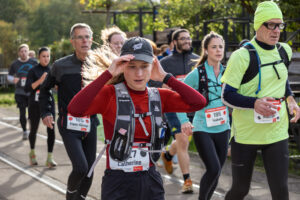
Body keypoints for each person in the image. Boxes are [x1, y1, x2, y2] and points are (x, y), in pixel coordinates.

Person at [67, 37, 207, 200]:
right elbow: (75, 109)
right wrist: (108, 74)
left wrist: (165, 77)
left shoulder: (159, 96)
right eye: (132, 67)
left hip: (149, 180)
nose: (139, 73)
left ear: (153, 65)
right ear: (122, 66)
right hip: (117, 182)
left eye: (144, 66)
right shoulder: (109, 95)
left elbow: (199, 102)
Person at [221, 1, 300, 200]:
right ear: (258, 25)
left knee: (281, 191)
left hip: (276, 131)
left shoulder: (284, 51)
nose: (276, 30)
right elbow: (226, 95)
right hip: (246, 134)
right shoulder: (242, 56)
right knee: (240, 189)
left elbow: (282, 80)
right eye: (270, 25)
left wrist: (291, 100)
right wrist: (254, 103)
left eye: (279, 25)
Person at [39, 23, 100, 200]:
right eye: (80, 37)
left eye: (87, 37)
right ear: (72, 41)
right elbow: (44, 90)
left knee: (89, 170)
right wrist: (46, 112)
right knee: (80, 167)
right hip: (69, 123)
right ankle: (70, 195)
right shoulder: (60, 66)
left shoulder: (100, 64)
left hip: (91, 123)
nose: (84, 40)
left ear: (92, 39)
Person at [177, 31, 230, 200]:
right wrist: (184, 120)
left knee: (217, 172)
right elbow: (178, 98)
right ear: (206, 50)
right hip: (203, 128)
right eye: (214, 47)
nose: (218, 50)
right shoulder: (197, 74)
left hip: (223, 128)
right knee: (213, 169)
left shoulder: (228, 73)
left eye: (220, 47)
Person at [160, 28, 199, 193]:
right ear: (174, 42)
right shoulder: (165, 63)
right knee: (183, 140)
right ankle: (187, 181)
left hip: (194, 107)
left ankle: (168, 154)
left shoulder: (197, 60)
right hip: (174, 108)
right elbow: (157, 86)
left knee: (185, 140)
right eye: (183, 39)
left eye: (189, 38)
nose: (187, 41)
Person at [24, 47, 56, 168]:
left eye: (48, 56)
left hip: (48, 104)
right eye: (43, 56)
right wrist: (41, 80)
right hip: (35, 104)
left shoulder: (53, 70)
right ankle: (32, 153)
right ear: (39, 57)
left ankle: (50, 157)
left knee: (51, 130)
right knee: (34, 129)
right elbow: (28, 88)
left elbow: (57, 86)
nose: (46, 58)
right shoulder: (33, 70)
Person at [7, 44, 38, 140]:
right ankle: (24, 131)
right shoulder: (15, 64)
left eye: (25, 51)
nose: (24, 53)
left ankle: (32, 129)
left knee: (32, 113)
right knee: (22, 112)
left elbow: (39, 73)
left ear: (28, 51)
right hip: (20, 91)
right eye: (22, 51)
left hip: (31, 92)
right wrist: (13, 80)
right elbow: (9, 76)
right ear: (19, 53)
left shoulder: (34, 62)